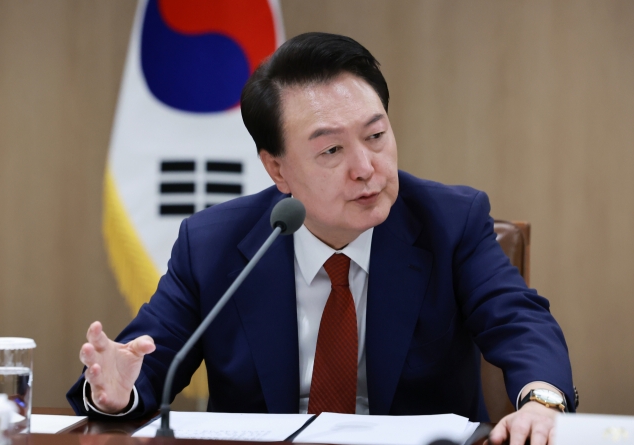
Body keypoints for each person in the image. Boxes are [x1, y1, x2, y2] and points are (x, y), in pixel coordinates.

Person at [68, 32, 575, 445]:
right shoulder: (214, 244)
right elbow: (149, 359)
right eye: (331, 150)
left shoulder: (450, 220)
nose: (365, 168)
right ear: (277, 168)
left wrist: (542, 399)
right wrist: (117, 392)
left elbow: (518, 319)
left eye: (376, 136)